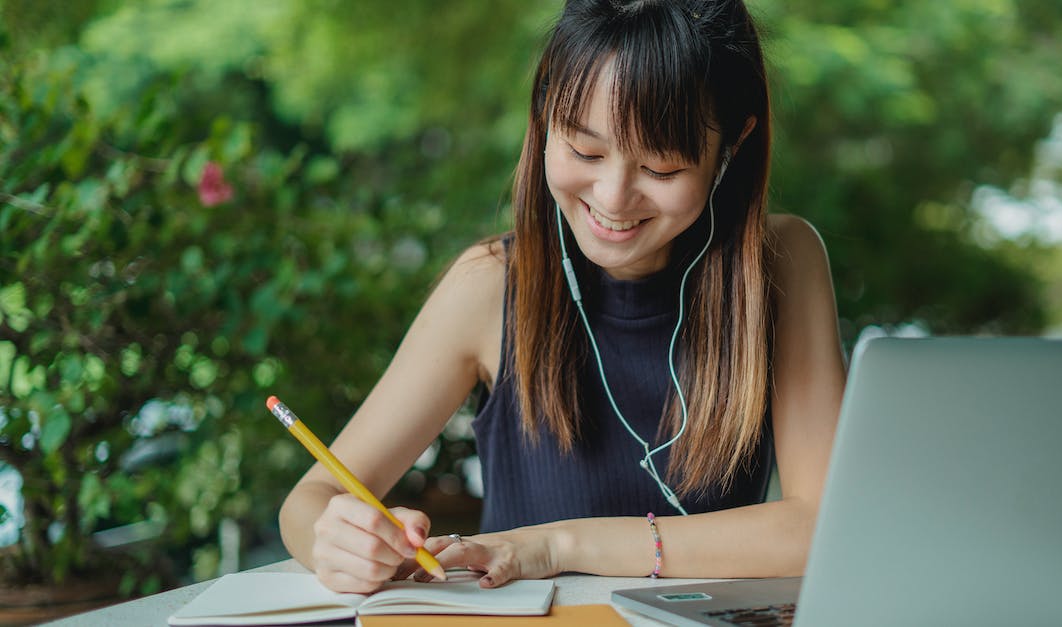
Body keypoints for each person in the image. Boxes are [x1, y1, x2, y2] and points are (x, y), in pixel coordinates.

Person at [279, 0, 846, 594]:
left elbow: (819, 526)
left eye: (660, 167)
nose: (613, 197)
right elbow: (310, 500)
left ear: (733, 143)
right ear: (546, 114)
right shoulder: (491, 284)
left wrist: (556, 545)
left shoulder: (781, 264)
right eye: (585, 151)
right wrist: (342, 541)